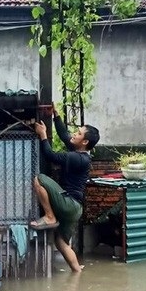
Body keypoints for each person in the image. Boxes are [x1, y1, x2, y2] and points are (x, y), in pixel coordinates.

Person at [31, 105, 100, 273]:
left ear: (84, 142)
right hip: (75, 208)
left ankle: (49, 216)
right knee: (61, 242)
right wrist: (56, 115)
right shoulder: (80, 153)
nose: (74, 134)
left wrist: (42, 135)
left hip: (69, 203)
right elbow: (64, 135)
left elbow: (50, 155)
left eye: (78, 133)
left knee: (39, 179)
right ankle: (77, 271)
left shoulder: (77, 158)